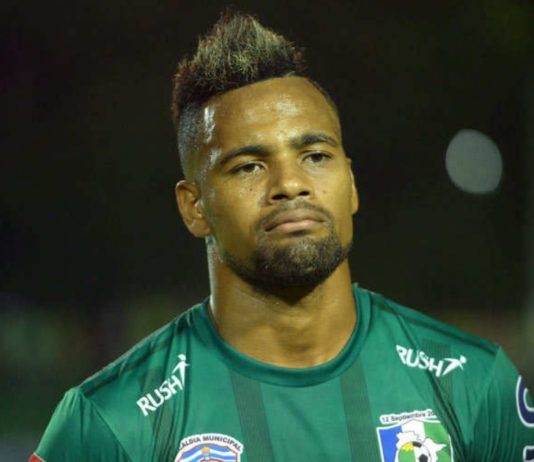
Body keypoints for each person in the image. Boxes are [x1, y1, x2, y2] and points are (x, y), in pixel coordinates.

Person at [30, 11, 534, 462]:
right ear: (194, 207)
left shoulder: (474, 385)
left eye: (315, 156)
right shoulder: (109, 422)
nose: (290, 184)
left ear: (351, 183)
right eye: (249, 166)